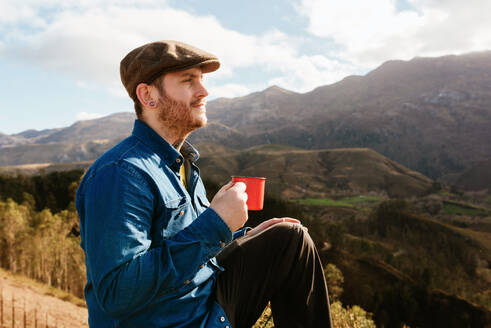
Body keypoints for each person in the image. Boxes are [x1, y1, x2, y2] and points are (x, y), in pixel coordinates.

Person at [76, 40, 332, 328]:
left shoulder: (183, 165)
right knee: (291, 240)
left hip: (203, 304)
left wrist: (243, 236)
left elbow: (191, 250)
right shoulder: (121, 173)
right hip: (179, 320)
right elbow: (117, 293)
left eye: (202, 80)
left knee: (289, 238)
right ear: (148, 95)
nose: (204, 92)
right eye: (188, 81)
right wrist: (216, 223)